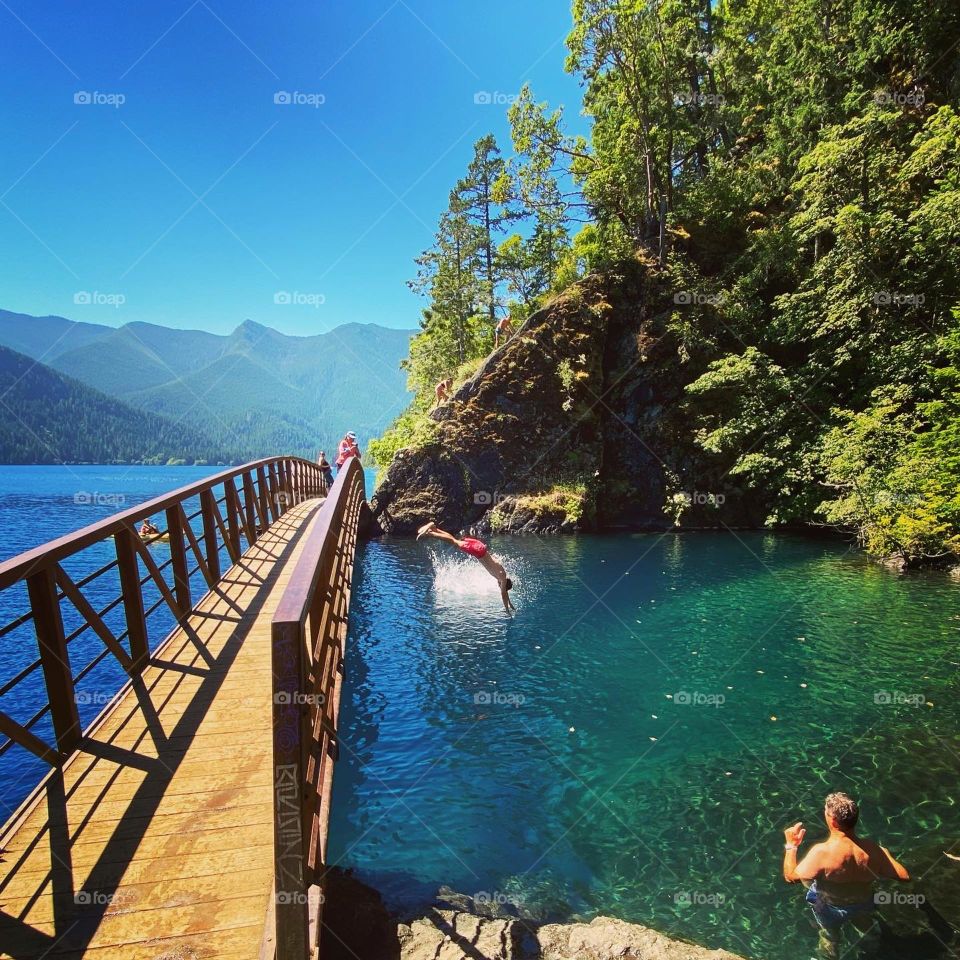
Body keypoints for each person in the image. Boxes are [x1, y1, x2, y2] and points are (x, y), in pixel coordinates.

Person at [783, 791, 910, 959]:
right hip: (862, 904)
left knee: (830, 936)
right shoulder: (874, 850)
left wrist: (791, 846)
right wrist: (884, 855)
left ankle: (830, 953)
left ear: (832, 820)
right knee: (868, 931)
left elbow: (790, 877)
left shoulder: (821, 853)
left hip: (829, 907)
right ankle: (872, 952)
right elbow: (904, 876)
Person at [417, 521, 515, 613]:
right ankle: (430, 533)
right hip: (478, 551)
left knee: (455, 541)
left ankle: (435, 529)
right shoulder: (502, 577)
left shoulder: (501, 576)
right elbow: (503, 594)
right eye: (501, 586)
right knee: (454, 542)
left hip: (480, 548)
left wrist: (510, 603)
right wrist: (507, 610)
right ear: (504, 584)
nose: (499, 587)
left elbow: (505, 593)